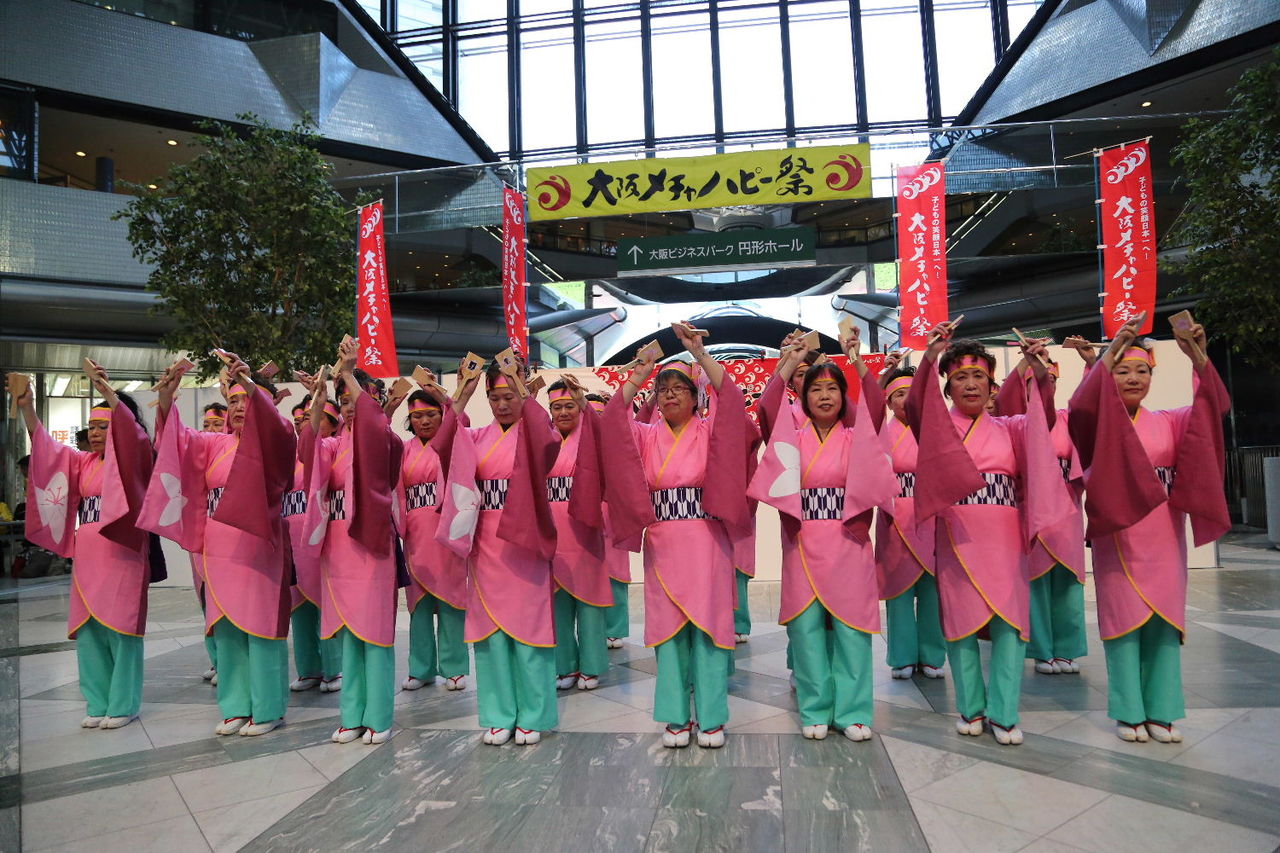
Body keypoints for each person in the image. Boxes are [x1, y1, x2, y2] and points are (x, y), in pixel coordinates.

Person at [1067, 320, 1229, 743]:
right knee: (1123, 622)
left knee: (1164, 623)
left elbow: (1212, 409)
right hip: (1118, 537)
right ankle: (1128, 711)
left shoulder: (1171, 422)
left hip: (1164, 537)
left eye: (1142, 371)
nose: (1133, 378)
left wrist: (1197, 357)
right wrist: (1111, 350)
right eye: (1122, 371)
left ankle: (1163, 710)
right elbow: (1080, 406)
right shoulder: (1099, 424)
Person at [906, 324, 1067, 746]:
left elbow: (1044, 421)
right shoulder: (938, 429)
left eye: (979, 376)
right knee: (960, 626)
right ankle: (971, 708)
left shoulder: (1010, 427)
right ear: (947, 387)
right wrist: (929, 355)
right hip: (957, 535)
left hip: (1005, 538)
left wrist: (1039, 372)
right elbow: (916, 405)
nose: (971, 384)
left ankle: (1005, 713)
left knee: (1010, 627)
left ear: (992, 384)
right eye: (960, 377)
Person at [602, 323, 754, 749]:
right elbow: (612, 419)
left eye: (678, 389)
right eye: (663, 389)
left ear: (695, 395)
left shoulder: (710, 430)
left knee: (709, 630)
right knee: (668, 632)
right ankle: (675, 716)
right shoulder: (646, 435)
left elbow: (733, 400)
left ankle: (711, 717)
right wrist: (640, 373)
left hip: (707, 540)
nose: (669, 395)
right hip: (663, 543)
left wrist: (700, 353)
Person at [750, 328, 896, 741]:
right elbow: (767, 408)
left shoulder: (857, 438)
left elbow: (876, 406)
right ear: (803, 396)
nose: (825, 396)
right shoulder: (790, 439)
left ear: (845, 397)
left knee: (852, 630)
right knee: (807, 630)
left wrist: (857, 358)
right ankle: (814, 708)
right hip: (803, 543)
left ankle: (853, 712)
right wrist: (792, 360)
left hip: (849, 543)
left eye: (833, 388)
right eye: (816, 389)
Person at [143, 354, 295, 737]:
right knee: (226, 629)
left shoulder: (277, 440)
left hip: (259, 549)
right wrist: (167, 399)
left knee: (260, 628)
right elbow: (178, 442)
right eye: (234, 401)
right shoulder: (215, 444)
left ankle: (268, 709)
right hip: (218, 549)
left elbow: (278, 431)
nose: (239, 407)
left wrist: (249, 382)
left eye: (248, 400)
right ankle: (235, 706)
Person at [18, 364, 155, 729]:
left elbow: (135, 438)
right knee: (90, 629)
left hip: (123, 553)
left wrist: (107, 390)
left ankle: (123, 704)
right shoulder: (84, 463)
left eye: (103, 427)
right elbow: (47, 450)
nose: (94, 433)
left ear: (120, 428)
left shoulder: (134, 459)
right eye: (91, 427)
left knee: (122, 628)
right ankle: (98, 702)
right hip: (88, 554)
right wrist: (28, 407)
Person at [435, 357, 559, 746]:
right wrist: (462, 393)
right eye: (494, 398)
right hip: (485, 543)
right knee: (491, 634)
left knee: (529, 630)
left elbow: (549, 441)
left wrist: (523, 387)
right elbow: (443, 445)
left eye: (509, 396)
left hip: (524, 542)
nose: (502, 405)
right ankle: (499, 714)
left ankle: (534, 714)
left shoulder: (534, 430)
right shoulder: (475, 438)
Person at [301, 341, 402, 745]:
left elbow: (375, 425)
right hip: (338, 550)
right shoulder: (334, 445)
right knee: (347, 634)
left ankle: (378, 716)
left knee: (373, 634)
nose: (349, 407)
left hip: (372, 548)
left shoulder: (387, 439)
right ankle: (351, 715)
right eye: (343, 401)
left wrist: (346, 369)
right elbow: (308, 447)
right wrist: (319, 398)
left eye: (355, 399)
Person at [996, 350, 1088, 676]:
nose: (1043, 385)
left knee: (1068, 580)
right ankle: (1042, 650)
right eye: (1033, 382)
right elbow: (1005, 398)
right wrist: (1025, 361)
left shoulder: (1068, 419)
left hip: (1066, 509)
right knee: (1035, 580)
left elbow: (1094, 413)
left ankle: (1068, 648)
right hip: (1031, 507)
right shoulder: (1017, 424)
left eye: (1049, 380)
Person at [869, 352, 946, 681]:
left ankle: (932, 654)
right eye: (899, 394)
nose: (906, 400)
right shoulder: (880, 433)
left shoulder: (934, 430)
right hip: (894, 519)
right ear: (887, 401)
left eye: (911, 393)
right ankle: (901, 656)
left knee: (931, 590)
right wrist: (883, 375)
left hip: (930, 517)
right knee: (898, 591)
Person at [399, 388, 469, 693]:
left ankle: (454, 667)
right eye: (417, 416)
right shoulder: (404, 450)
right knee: (419, 604)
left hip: (447, 531)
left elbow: (462, 421)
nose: (424, 421)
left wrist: (448, 400)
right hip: (416, 534)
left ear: (442, 416)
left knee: (452, 601)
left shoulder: (451, 443)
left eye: (431, 414)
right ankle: (421, 668)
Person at [545, 379, 611, 692]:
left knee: (589, 603)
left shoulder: (591, 436)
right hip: (552, 531)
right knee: (558, 604)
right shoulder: (544, 439)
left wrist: (585, 402)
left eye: (569, 406)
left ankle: (592, 665)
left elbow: (607, 433)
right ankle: (565, 665)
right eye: (557, 407)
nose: (563, 412)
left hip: (584, 530)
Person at [287, 393, 342, 693]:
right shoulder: (288, 456)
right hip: (292, 541)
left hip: (322, 540)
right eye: (300, 420)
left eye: (312, 418)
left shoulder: (336, 452)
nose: (304, 425)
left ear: (333, 425)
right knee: (299, 606)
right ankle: (309, 669)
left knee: (325, 604)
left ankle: (334, 669)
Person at [590, 394, 633, 649]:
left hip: (612, 514)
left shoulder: (617, 445)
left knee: (615, 574)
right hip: (585, 516)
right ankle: (593, 629)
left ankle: (615, 628)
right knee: (589, 574)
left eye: (600, 415)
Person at [193, 401, 229, 685]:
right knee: (206, 598)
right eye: (206, 425)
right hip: (203, 536)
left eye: (217, 424)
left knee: (226, 598)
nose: (211, 429)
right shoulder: (201, 457)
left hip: (228, 539)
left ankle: (227, 660)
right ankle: (216, 659)